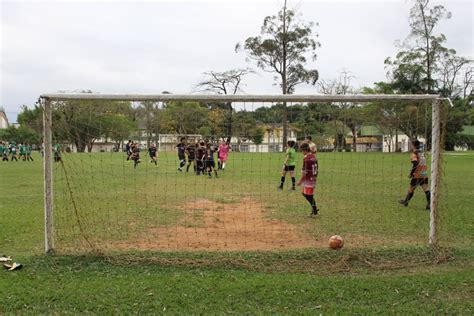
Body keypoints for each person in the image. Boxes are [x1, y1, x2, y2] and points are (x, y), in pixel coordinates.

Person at [399, 140, 430, 210]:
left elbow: (415, 163)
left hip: (417, 174)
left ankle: (406, 202)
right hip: (424, 173)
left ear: (413, 145)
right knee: (426, 189)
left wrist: (411, 173)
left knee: (411, 189)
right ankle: (429, 204)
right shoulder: (421, 153)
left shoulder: (414, 154)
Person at [297, 142, 319, 217]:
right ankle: (314, 209)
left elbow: (304, 172)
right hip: (313, 178)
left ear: (305, 150)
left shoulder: (306, 159)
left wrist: (300, 181)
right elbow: (317, 168)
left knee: (308, 195)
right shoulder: (314, 156)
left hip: (308, 179)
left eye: (302, 151)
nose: (301, 152)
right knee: (305, 193)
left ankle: (315, 211)